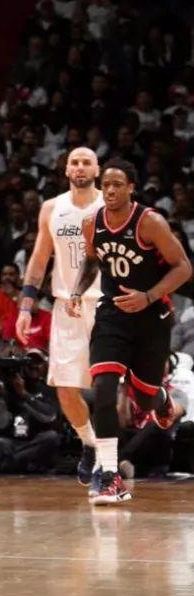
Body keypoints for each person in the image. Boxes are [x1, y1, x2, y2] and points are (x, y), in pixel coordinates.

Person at [67, 158, 192, 503]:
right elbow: (92, 261)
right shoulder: (92, 224)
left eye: (117, 184)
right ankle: (110, 475)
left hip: (152, 316)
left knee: (144, 398)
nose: (110, 190)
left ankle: (162, 399)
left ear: (131, 188)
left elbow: (184, 267)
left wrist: (148, 296)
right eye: (105, 184)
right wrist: (77, 292)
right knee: (104, 388)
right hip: (112, 315)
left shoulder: (150, 222)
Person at [15, 147, 104, 486]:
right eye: (74, 162)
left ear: (97, 169)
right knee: (65, 389)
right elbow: (39, 260)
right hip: (66, 307)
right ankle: (90, 445)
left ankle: (109, 461)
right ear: (66, 170)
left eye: (86, 162)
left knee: (112, 388)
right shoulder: (52, 208)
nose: (80, 167)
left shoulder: (110, 206)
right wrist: (26, 307)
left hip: (106, 305)